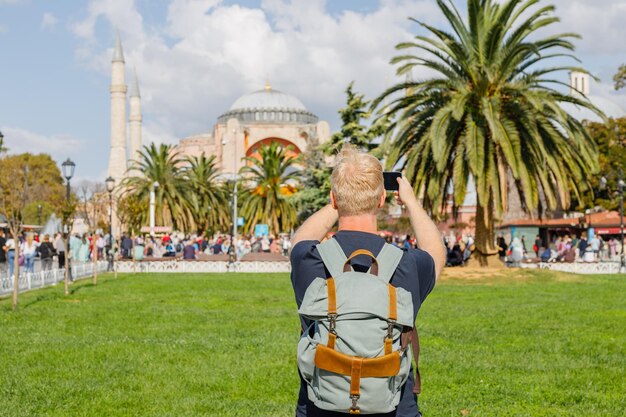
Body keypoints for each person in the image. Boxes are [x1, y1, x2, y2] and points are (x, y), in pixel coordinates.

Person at [289, 145, 445, 417]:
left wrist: (338, 201)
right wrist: (410, 202)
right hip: (395, 407)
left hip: (320, 406)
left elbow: (299, 240)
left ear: (333, 199)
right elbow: (435, 252)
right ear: (382, 199)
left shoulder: (310, 260)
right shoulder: (408, 264)